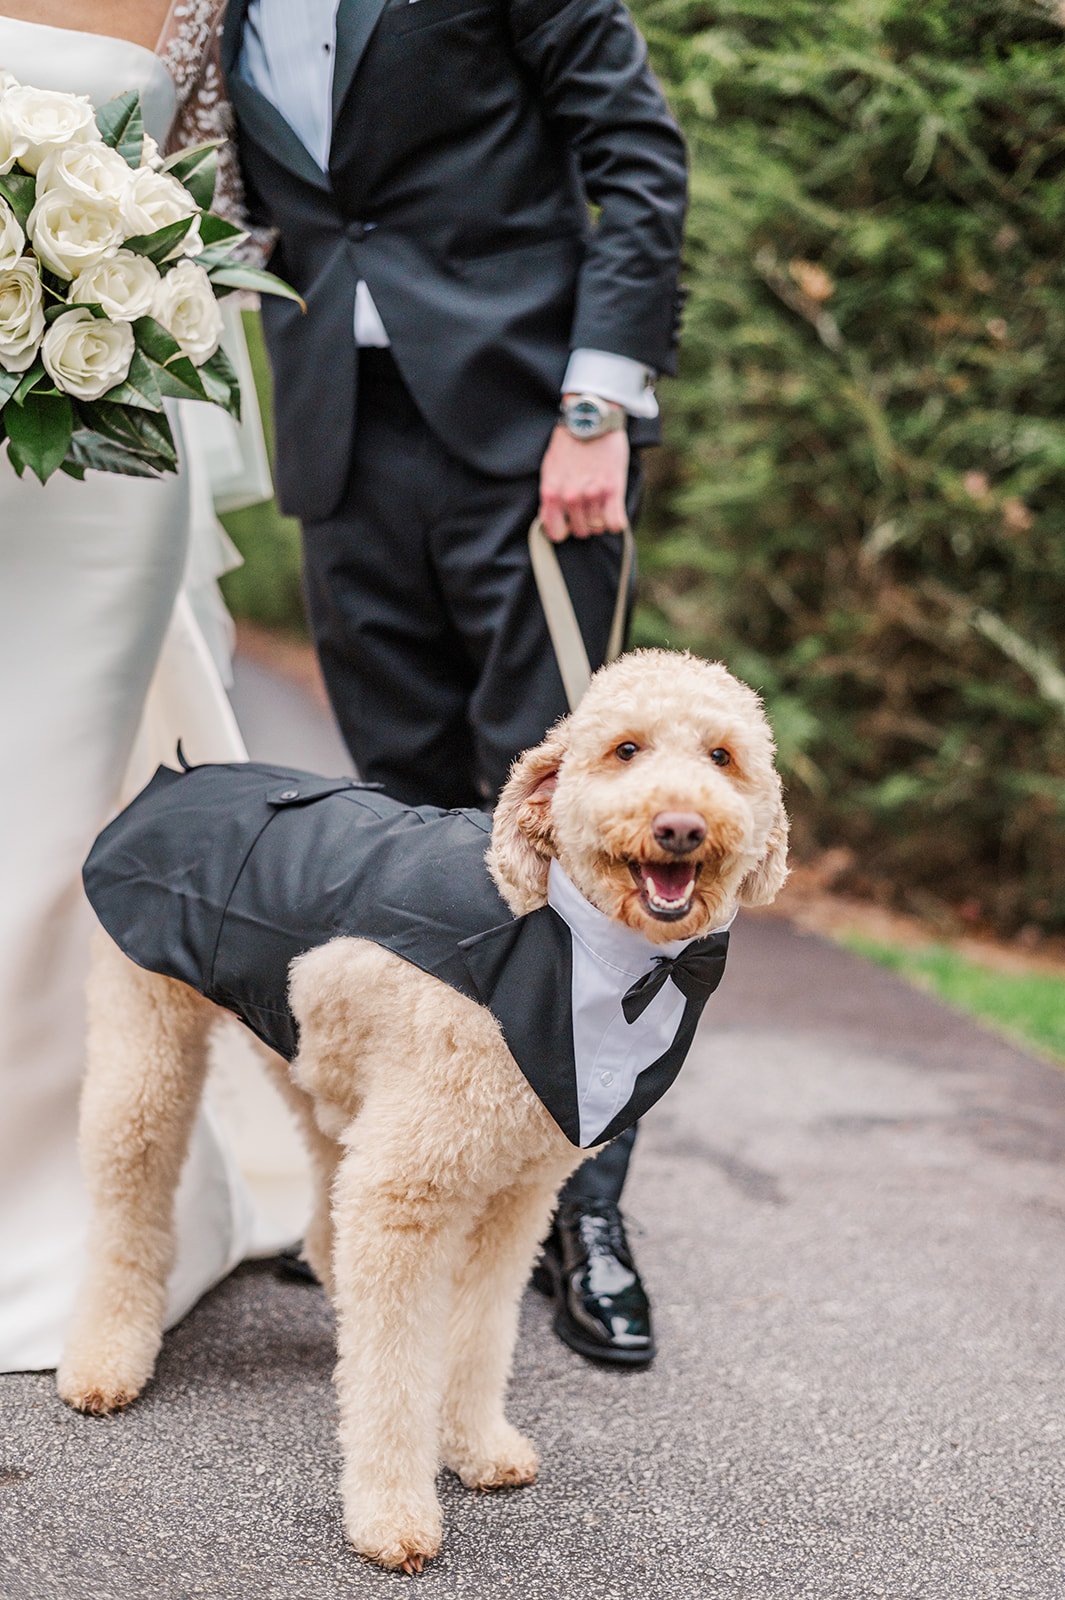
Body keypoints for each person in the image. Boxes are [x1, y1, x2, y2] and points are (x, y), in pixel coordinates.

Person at [220, 0, 688, 1364]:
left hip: (531, 438)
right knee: (410, 825)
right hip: (340, 441)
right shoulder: (212, 8)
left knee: (577, 830)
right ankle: (422, 1170)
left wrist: (596, 409)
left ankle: (584, 1211)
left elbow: (635, 153)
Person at [0, 0, 301, 1374]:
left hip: (111, 434)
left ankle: (90, 1193)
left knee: (67, 802)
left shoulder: (203, 2)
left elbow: (213, 215)